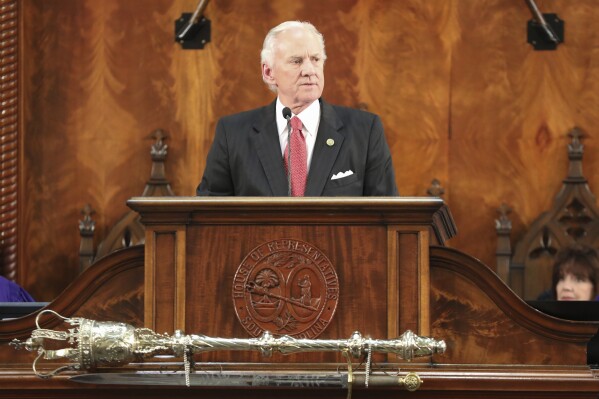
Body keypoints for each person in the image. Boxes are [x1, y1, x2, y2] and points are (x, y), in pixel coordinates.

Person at [196, 21, 398, 196]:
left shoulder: (365, 131)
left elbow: (387, 215)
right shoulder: (232, 134)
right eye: (296, 61)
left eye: (316, 59)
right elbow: (209, 214)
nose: (310, 70)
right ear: (268, 72)